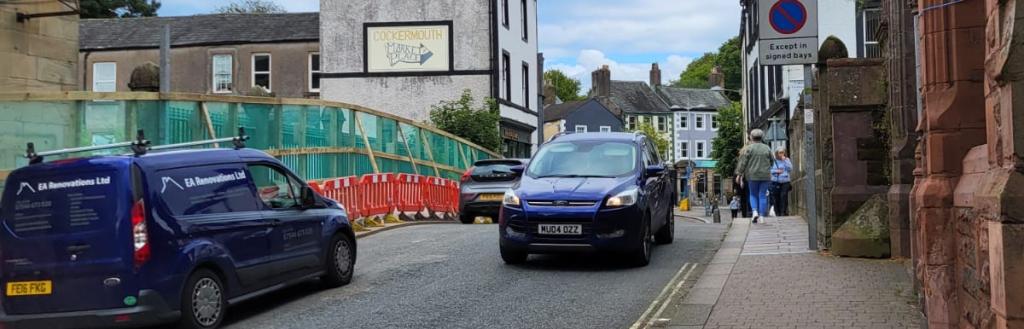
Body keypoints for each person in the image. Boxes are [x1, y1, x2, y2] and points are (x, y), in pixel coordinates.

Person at [734, 129, 773, 223]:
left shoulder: (748, 149)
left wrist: (739, 174)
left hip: (752, 175)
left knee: (753, 194)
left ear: (751, 137)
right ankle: (762, 216)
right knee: (762, 195)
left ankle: (755, 211)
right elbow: (772, 161)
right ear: (762, 137)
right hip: (765, 175)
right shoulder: (767, 148)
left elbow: (743, 163)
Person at [770, 147, 793, 217]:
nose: (781, 154)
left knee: (783, 196)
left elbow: (790, 168)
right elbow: (770, 170)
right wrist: (777, 171)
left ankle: (783, 212)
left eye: (782, 152)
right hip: (775, 181)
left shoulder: (787, 159)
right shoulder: (773, 161)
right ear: (777, 153)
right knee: (776, 197)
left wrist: (785, 161)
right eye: (780, 152)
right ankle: (778, 212)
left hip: (785, 181)